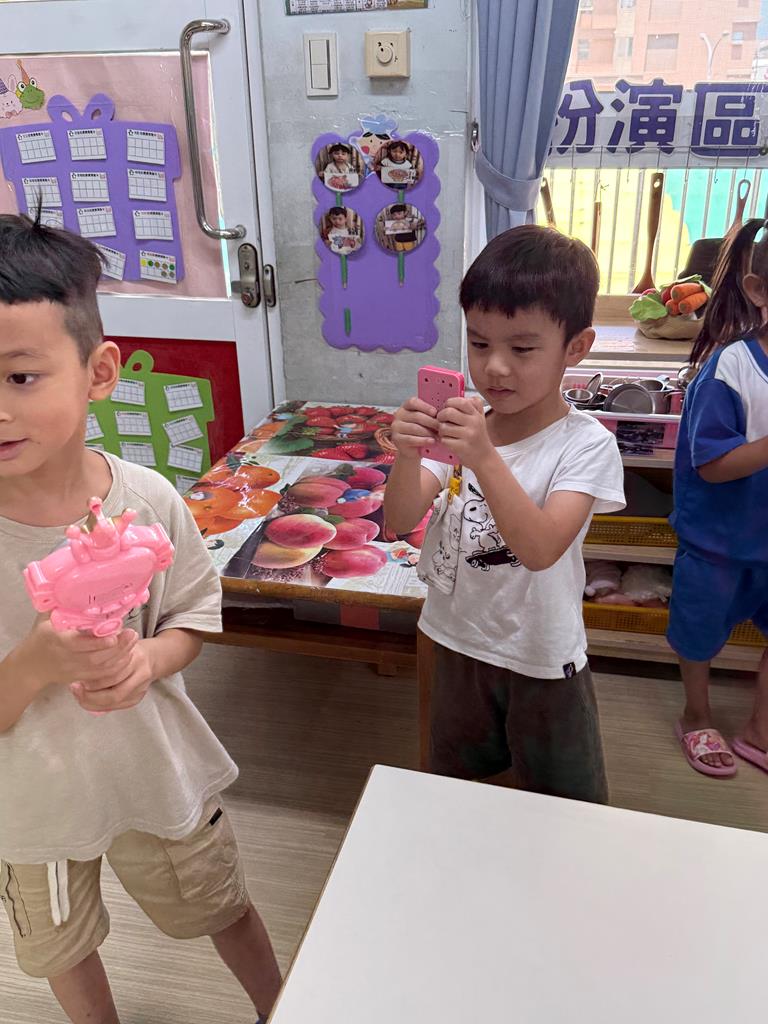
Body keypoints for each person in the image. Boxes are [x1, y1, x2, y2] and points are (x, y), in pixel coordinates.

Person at [0, 212, 281, 1024]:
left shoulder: (148, 502)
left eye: (21, 377)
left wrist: (148, 662)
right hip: (32, 800)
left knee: (220, 900)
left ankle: (281, 1004)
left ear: (98, 371)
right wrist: (37, 663)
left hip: (156, 769)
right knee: (62, 944)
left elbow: (193, 615)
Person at [384, 225, 625, 801]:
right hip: (455, 640)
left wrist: (485, 458)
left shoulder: (585, 445)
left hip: (541, 655)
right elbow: (400, 517)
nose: (494, 368)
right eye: (479, 343)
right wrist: (407, 454)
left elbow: (540, 550)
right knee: (462, 789)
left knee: (564, 800)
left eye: (521, 349)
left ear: (576, 347)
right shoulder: (463, 427)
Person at [669, 218, 768, 778]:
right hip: (719, 540)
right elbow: (712, 464)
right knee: (699, 633)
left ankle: (760, 730)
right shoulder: (731, 368)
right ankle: (696, 714)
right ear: (758, 291)